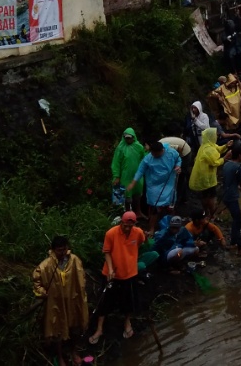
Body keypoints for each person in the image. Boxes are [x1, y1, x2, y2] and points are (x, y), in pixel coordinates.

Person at [89, 211, 145, 344]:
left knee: (128, 301)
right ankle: (99, 328)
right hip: (111, 274)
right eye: (125, 225)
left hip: (129, 274)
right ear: (121, 222)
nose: (127, 228)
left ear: (134, 225)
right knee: (104, 301)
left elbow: (140, 243)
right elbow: (107, 252)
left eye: (130, 226)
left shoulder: (138, 233)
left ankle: (127, 323)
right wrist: (110, 269)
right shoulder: (111, 233)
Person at [32, 236, 88, 366]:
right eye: (59, 250)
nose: (62, 253)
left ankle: (74, 352)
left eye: (64, 249)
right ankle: (60, 356)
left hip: (73, 300)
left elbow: (82, 277)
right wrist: (42, 292)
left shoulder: (74, 260)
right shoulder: (46, 265)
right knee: (57, 331)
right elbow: (37, 281)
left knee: (75, 327)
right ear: (53, 250)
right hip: (56, 303)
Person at [127, 141, 182, 232]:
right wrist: (133, 182)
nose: (153, 155)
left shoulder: (171, 153)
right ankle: (151, 228)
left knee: (170, 207)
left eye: (155, 153)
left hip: (169, 183)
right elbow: (140, 171)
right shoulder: (148, 158)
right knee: (154, 208)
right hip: (154, 185)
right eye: (152, 153)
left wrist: (178, 166)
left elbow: (178, 160)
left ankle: (171, 227)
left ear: (162, 150)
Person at [190, 127, 231, 218]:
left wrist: (226, 146)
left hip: (201, 176)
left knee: (205, 196)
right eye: (215, 134)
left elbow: (218, 149)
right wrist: (225, 157)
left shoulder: (206, 145)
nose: (217, 135)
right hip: (206, 178)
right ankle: (213, 214)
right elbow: (215, 163)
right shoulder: (209, 150)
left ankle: (207, 213)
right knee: (210, 196)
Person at [221, 146, 241, 256]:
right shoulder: (238, 168)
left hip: (225, 196)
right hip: (232, 197)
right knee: (238, 221)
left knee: (235, 220)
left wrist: (238, 187)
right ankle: (240, 249)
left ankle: (233, 243)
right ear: (239, 155)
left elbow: (229, 181)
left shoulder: (226, 164)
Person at [111, 128, 145, 217]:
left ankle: (138, 212)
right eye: (126, 138)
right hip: (125, 176)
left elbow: (145, 158)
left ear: (133, 137)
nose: (128, 139)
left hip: (137, 175)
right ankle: (127, 215)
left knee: (137, 194)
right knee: (126, 194)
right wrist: (116, 176)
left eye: (130, 138)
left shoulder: (139, 147)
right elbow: (116, 163)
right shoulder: (120, 148)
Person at [160, 135, 192, 205]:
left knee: (180, 175)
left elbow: (179, 149)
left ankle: (180, 198)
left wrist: (177, 164)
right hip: (179, 150)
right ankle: (182, 196)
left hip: (185, 152)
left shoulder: (164, 147)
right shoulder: (159, 148)